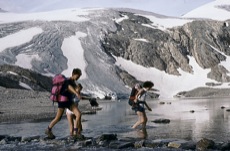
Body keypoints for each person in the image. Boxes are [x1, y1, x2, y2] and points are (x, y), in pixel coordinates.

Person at [45, 68, 82, 139]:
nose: (78, 77)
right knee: (60, 118)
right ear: (74, 74)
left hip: (66, 101)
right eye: (78, 76)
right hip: (64, 101)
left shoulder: (73, 82)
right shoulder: (68, 81)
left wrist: (77, 94)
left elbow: (72, 90)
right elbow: (69, 87)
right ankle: (49, 129)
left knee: (77, 115)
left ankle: (75, 132)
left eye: (79, 76)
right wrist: (76, 93)